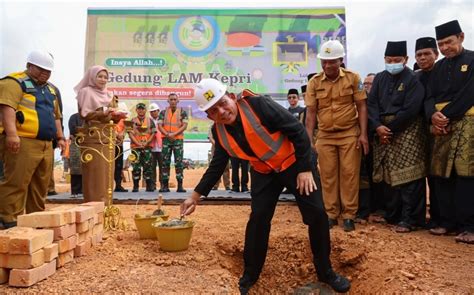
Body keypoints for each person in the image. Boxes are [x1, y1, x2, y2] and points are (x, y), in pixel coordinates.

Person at [181, 78, 351, 294]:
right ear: (208, 116)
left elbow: (297, 130)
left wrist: (305, 169)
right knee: (258, 219)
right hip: (264, 172)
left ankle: (326, 272)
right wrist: (194, 196)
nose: (222, 112)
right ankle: (250, 275)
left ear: (232, 97)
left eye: (223, 103)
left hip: (294, 164)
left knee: (316, 214)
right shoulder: (219, 133)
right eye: (214, 111)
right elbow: (217, 165)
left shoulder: (259, 105)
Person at [305, 40, 369, 232]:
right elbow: (310, 114)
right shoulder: (314, 82)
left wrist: (363, 134)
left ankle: (349, 215)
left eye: (331, 61)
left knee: (349, 174)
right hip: (325, 135)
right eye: (324, 61)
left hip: (349, 133)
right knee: (327, 175)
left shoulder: (353, 78)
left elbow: (362, 107)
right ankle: (331, 214)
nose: (327, 66)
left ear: (341, 60)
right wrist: (308, 140)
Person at [0, 50, 65, 229]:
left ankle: (35, 219)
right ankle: (9, 219)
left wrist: (60, 137)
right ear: (29, 65)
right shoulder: (14, 82)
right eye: (40, 69)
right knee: (17, 181)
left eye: (48, 71)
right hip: (23, 141)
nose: (45, 73)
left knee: (40, 185)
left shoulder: (51, 89)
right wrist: (12, 134)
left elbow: (56, 116)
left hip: (45, 144)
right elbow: (7, 108)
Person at [368, 41, 427, 233]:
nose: (393, 63)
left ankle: (410, 219)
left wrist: (389, 129)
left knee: (409, 177)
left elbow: (411, 109)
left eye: (397, 60)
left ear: (406, 60)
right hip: (382, 131)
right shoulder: (379, 78)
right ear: (384, 59)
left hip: (406, 130)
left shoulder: (413, 78)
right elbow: (372, 105)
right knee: (389, 177)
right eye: (389, 60)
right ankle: (393, 215)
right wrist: (377, 126)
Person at [425, 20, 474, 244]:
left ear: (461, 37)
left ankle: (469, 226)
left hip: (466, 123)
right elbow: (428, 96)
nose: (445, 47)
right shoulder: (438, 67)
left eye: (449, 42)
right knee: (442, 173)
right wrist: (432, 115)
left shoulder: (473, 60)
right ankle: (447, 222)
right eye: (441, 44)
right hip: (441, 125)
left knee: (466, 174)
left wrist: (446, 115)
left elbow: (469, 93)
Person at [75, 65, 126, 203]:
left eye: (105, 77)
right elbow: (84, 114)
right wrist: (101, 113)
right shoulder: (85, 92)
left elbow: (112, 118)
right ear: (92, 77)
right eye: (100, 76)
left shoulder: (110, 94)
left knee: (107, 174)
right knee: (94, 174)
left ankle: (107, 207)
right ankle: (93, 208)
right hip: (92, 137)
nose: (103, 80)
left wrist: (116, 116)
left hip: (108, 137)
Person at [414, 37, 441, 229]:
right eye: (419, 55)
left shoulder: (444, 72)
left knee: (442, 177)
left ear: (436, 54)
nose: (423, 58)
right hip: (420, 132)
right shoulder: (414, 77)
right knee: (425, 176)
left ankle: (445, 218)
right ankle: (428, 217)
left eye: (426, 54)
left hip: (443, 129)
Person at [157, 93, 188, 193]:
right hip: (166, 140)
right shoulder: (163, 112)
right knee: (165, 163)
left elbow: (184, 125)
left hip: (178, 140)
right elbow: (160, 126)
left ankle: (180, 186)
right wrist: (167, 134)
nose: (173, 101)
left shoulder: (183, 112)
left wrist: (173, 134)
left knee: (179, 163)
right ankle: (165, 186)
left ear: (178, 101)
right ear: (168, 101)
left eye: (175, 99)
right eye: (171, 99)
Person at [128, 102, 156, 192]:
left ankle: (149, 186)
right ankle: (135, 186)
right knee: (136, 167)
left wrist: (147, 142)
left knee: (148, 166)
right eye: (139, 109)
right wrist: (138, 143)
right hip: (135, 148)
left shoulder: (150, 120)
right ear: (136, 110)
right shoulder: (132, 121)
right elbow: (130, 134)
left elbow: (153, 133)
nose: (141, 110)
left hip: (147, 147)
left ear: (145, 110)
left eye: (142, 109)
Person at [208, 123, 231, 190]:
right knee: (215, 167)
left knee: (226, 167)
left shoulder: (225, 125)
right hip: (215, 149)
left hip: (225, 148)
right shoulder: (212, 126)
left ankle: (227, 185)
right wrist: (218, 145)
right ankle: (215, 185)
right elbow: (210, 138)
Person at [68, 112, 84, 197]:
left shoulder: (90, 118)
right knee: (76, 168)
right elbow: (74, 130)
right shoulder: (74, 117)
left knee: (87, 168)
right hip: (76, 144)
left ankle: (84, 190)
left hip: (88, 145)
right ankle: (75, 191)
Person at [149, 103, 163, 191]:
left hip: (161, 147)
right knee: (152, 168)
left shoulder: (162, 120)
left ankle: (163, 185)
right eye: (151, 111)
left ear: (158, 111)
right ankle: (152, 185)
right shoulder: (148, 121)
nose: (153, 113)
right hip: (151, 147)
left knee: (163, 167)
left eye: (155, 111)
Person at [114, 118, 128, 192]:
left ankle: (118, 185)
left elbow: (126, 128)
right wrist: (116, 134)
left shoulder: (123, 120)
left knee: (119, 166)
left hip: (119, 145)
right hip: (110, 144)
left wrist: (122, 134)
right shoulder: (108, 117)